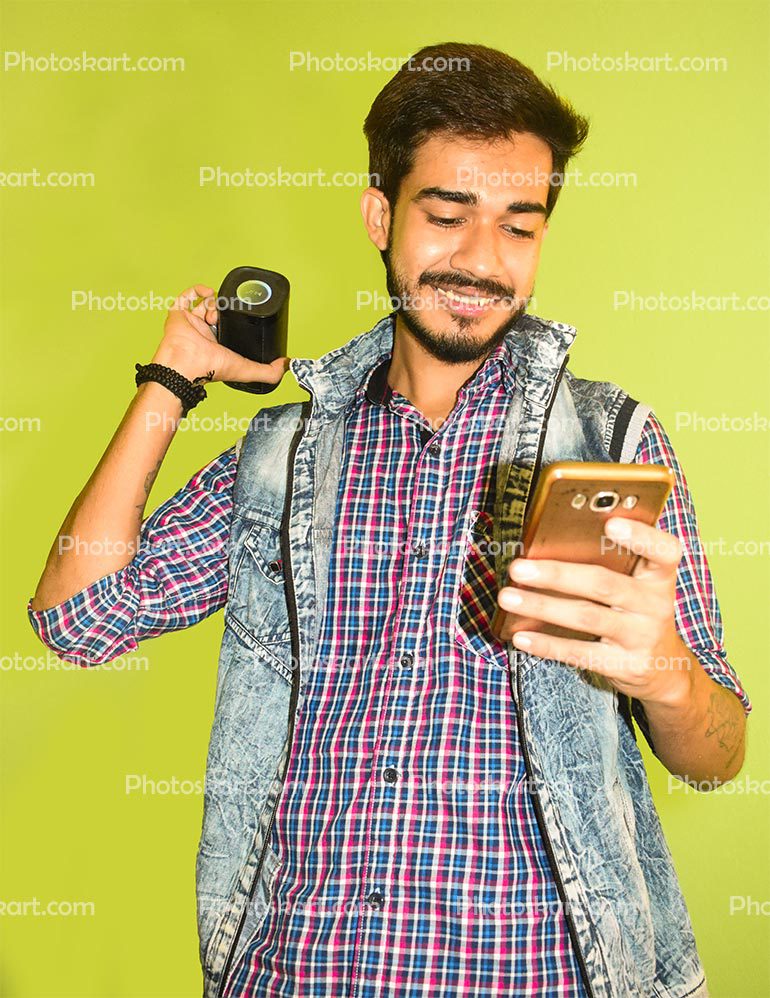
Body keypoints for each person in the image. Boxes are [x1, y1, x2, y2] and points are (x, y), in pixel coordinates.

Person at [28, 42, 749, 998]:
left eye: (518, 228)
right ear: (382, 214)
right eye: (447, 216)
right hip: (303, 975)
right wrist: (170, 383)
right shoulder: (283, 457)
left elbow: (718, 754)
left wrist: (664, 673)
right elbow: (75, 619)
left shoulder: (609, 438)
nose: (481, 262)